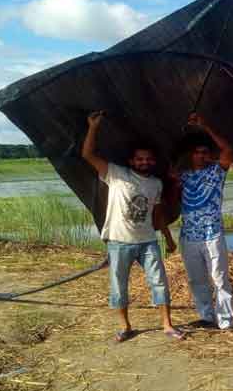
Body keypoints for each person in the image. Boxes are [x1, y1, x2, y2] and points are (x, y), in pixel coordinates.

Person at [81, 110, 184, 343]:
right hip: (119, 242)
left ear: (153, 162)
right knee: (119, 285)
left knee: (159, 282)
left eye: (148, 159)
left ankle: (167, 325)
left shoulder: (156, 184)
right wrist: (93, 127)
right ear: (131, 161)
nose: (144, 162)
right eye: (140, 159)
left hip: (148, 241)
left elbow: (157, 215)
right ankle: (126, 327)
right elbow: (87, 154)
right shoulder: (115, 173)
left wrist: (168, 239)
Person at [177, 112, 233, 330]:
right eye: (196, 153)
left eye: (204, 153)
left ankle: (226, 321)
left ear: (209, 155)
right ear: (190, 155)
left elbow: (227, 150)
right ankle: (206, 316)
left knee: (220, 278)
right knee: (196, 280)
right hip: (189, 236)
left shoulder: (216, 172)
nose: (200, 156)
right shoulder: (182, 174)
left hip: (213, 233)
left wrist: (206, 126)